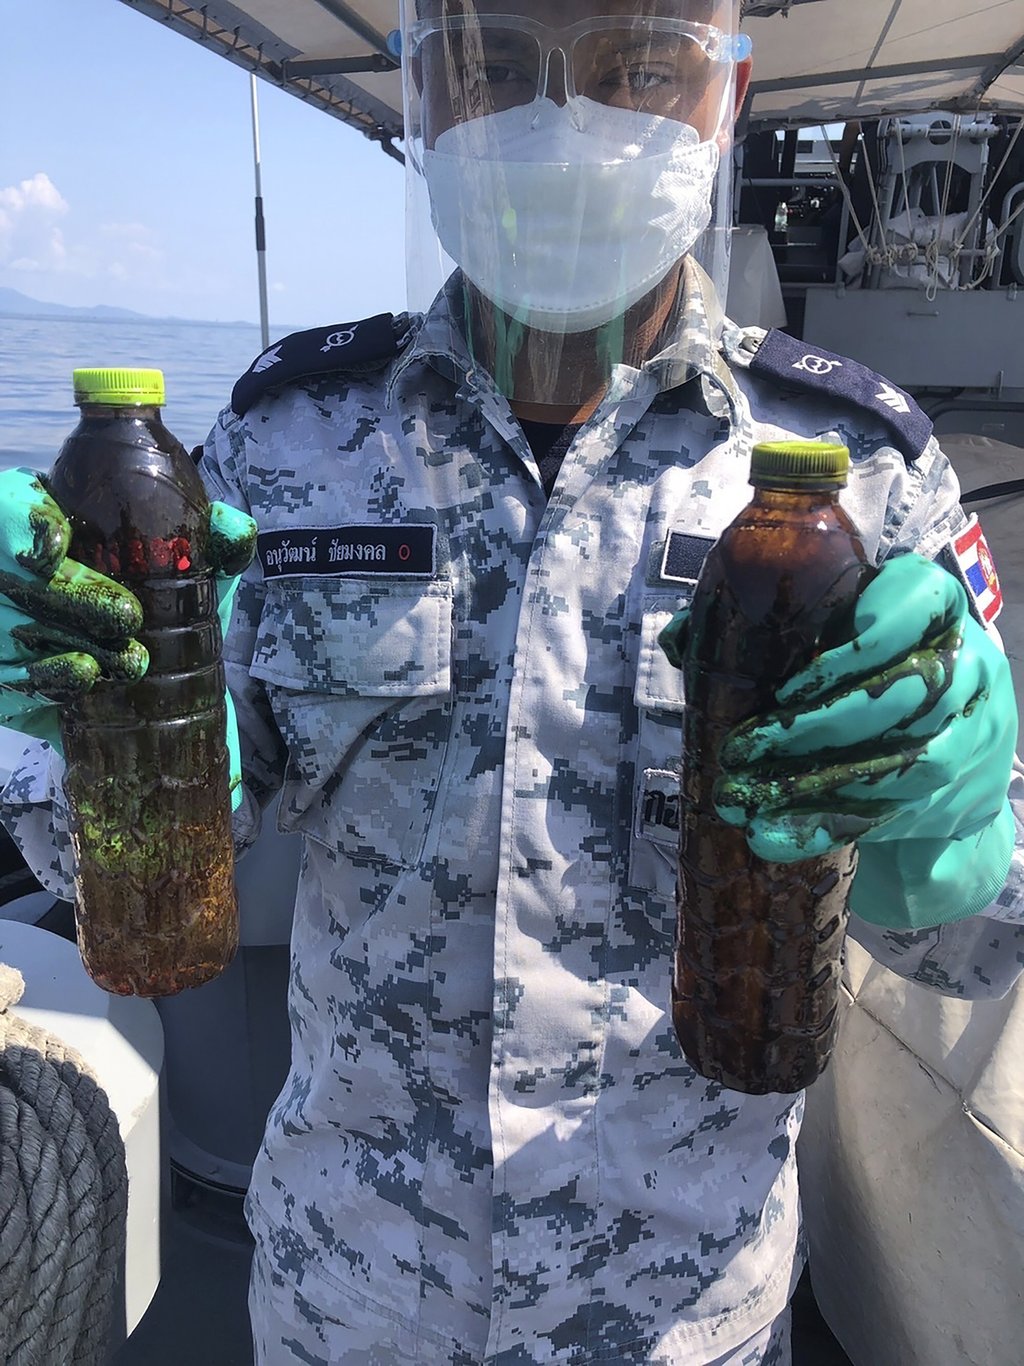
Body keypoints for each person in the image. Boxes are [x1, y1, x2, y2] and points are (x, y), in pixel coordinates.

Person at [1, 2, 1023, 1362]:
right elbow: (125, 852)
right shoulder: (284, 433)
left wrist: (950, 832)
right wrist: (86, 726)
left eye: (635, 64)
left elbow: (978, 943)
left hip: (685, 1321)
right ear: (424, 91)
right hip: (348, 1305)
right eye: (496, 64)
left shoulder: (861, 472)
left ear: (728, 97)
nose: (564, 118)